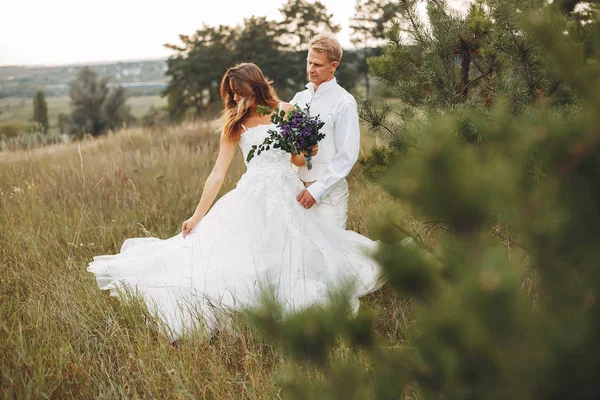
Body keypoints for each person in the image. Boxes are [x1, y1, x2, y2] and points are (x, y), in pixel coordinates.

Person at [87, 63, 380, 340]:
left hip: (287, 193)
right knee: (235, 257)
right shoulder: (235, 123)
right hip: (251, 195)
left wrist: (308, 148)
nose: (236, 97)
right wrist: (197, 215)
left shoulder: (288, 112)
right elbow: (217, 173)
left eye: (240, 90)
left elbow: (298, 159)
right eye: (231, 92)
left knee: (296, 251)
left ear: (257, 85)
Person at [291, 34, 360, 230]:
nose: (310, 69)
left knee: (332, 254)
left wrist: (317, 190)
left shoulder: (344, 102)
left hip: (329, 196)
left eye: (318, 65)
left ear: (334, 65)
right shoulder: (298, 98)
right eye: (308, 62)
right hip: (297, 191)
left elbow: (347, 155)